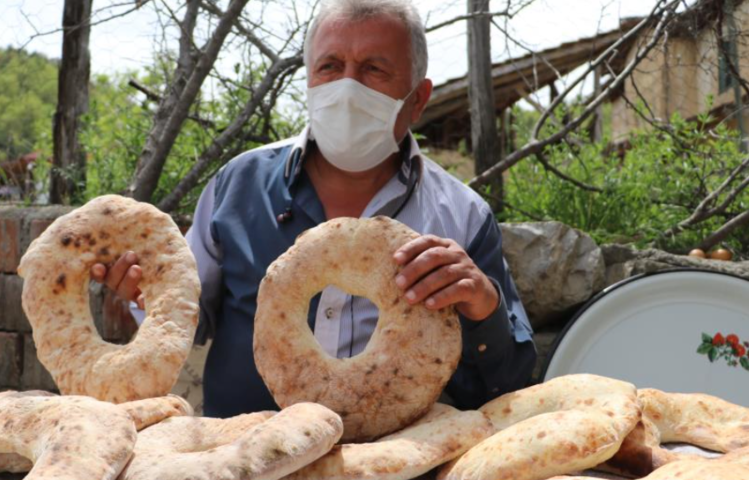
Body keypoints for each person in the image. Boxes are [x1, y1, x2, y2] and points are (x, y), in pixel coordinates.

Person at [92, 0, 535, 418]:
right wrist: (143, 290)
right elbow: (187, 318)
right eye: (330, 66)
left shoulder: (461, 216)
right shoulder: (239, 186)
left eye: (373, 69)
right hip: (244, 459)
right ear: (308, 79)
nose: (347, 86)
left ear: (418, 99)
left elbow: (506, 384)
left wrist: (483, 304)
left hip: (394, 465)